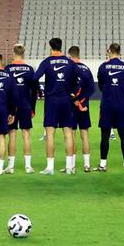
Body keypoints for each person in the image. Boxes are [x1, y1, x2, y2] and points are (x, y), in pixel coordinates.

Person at [33, 37, 78, 175]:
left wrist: (39, 91)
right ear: (61, 46)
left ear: (50, 48)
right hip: (66, 100)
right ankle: (70, 167)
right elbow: (77, 80)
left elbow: (35, 78)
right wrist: (72, 93)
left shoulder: (47, 62)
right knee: (68, 133)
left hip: (51, 100)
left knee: (50, 133)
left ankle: (50, 167)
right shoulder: (70, 62)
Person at [96, 43, 124, 171]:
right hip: (121, 105)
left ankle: (102, 164)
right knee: (123, 134)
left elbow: (100, 86)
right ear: (119, 51)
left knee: (105, 135)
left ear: (109, 51)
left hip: (107, 104)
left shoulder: (103, 67)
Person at [4, 44, 38, 173]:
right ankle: (28, 166)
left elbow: (5, 90)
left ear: (13, 53)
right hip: (25, 105)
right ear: (23, 53)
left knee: (12, 134)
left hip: (11, 107)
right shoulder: (29, 69)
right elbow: (34, 91)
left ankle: (11, 166)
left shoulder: (7, 68)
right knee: (26, 135)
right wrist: (33, 108)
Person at [69, 46, 96, 172]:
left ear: (70, 55)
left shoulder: (69, 68)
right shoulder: (86, 68)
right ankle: (87, 165)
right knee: (84, 135)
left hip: (71, 107)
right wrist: (83, 101)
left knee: (72, 135)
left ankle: (72, 166)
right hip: (85, 107)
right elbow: (92, 88)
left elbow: (67, 88)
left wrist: (75, 100)